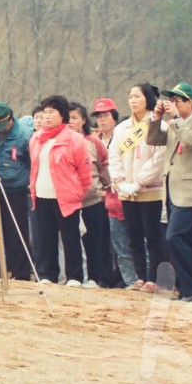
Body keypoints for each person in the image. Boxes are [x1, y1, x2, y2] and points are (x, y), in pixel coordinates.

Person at [146, 82, 192, 301]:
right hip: (171, 189)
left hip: (188, 189)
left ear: (189, 102)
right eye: (171, 101)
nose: (172, 105)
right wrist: (156, 119)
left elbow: (191, 140)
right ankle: (187, 288)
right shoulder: (176, 124)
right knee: (177, 239)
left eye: (177, 101)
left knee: (175, 236)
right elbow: (153, 139)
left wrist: (175, 119)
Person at [108, 83, 167, 292]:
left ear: (148, 99)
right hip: (126, 191)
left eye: (137, 97)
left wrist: (138, 182)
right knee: (134, 237)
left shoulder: (157, 124)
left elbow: (158, 159)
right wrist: (121, 182)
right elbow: (113, 155)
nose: (133, 100)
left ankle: (154, 279)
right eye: (130, 96)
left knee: (153, 237)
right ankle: (140, 276)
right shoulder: (122, 128)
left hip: (150, 189)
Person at [29, 95, 91, 286]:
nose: (46, 117)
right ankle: (47, 275)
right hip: (41, 194)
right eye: (45, 112)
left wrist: (78, 192)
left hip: (65, 197)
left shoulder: (74, 139)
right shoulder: (37, 138)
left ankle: (74, 276)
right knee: (44, 238)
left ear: (62, 115)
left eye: (51, 113)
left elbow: (84, 170)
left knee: (70, 238)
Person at [69, 102, 112, 288]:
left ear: (84, 120)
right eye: (67, 118)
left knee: (94, 239)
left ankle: (96, 277)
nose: (70, 122)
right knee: (72, 240)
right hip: (68, 199)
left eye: (75, 118)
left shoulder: (93, 142)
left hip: (92, 198)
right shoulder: (60, 141)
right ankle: (75, 276)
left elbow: (104, 167)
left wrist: (106, 189)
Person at [92, 97, 134, 288]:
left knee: (130, 240)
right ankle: (110, 276)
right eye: (99, 116)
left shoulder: (125, 136)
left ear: (114, 117)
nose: (102, 120)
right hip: (103, 196)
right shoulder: (94, 141)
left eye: (106, 115)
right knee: (107, 240)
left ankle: (131, 278)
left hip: (126, 193)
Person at [0, 102, 34, 281]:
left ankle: (22, 272)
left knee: (17, 233)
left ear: (10, 118)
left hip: (15, 190)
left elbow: (32, 164)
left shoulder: (23, 136)